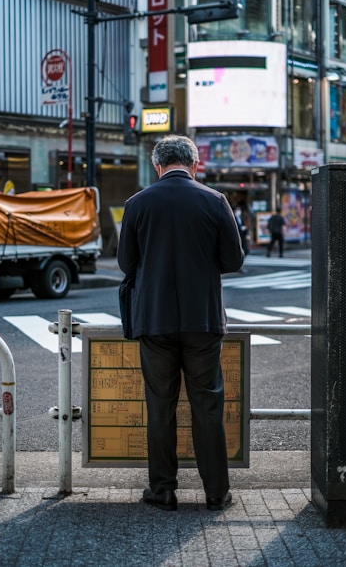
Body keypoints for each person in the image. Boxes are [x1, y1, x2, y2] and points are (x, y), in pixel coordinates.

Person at [117, 135, 244, 512]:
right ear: (195, 163)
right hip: (202, 319)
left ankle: (163, 490)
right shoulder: (214, 201)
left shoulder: (137, 204)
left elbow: (126, 264)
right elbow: (233, 261)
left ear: (158, 165)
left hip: (153, 320)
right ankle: (217, 494)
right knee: (208, 406)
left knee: (160, 404)